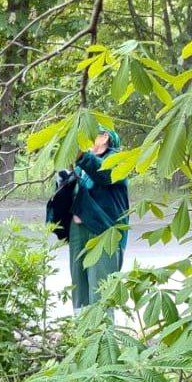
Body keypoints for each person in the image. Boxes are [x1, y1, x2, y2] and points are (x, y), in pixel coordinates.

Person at [68, 128, 129, 312]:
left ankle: (102, 338)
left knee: (100, 295)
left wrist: (81, 156)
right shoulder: (81, 166)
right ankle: (80, 338)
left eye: (90, 134)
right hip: (78, 233)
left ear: (105, 137)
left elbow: (103, 174)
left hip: (104, 234)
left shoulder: (118, 161)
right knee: (79, 293)